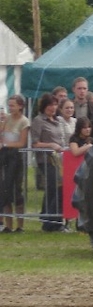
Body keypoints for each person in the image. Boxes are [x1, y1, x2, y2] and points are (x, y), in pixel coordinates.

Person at [31, 93, 68, 232]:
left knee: (55, 189)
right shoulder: (38, 120)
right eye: (50, 105)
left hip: (58, 160)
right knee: (55, 188)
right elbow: (35, 143)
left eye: (54, 105)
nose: (52, 108)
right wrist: (51, 145)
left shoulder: (58, 120)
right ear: (44, 106)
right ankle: (51, 221)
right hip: (45, 160)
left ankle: (51, 220)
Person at [0, 95, 30, 233]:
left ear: (20, 106)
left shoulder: (24, 122)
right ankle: (8, 225)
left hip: (16, 159)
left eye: (12, 105)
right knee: (4, 189)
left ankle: (20, 225)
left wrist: (5, 144)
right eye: (9, 105)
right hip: (5, 158)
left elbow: (21, 143)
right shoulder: (6, 119)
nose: (10, 108)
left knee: (16, 190)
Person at [72, 77, 93, 141]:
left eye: (84, 88)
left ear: (87, 90)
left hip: (90, 143)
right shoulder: (68, 106)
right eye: (79, 88)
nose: (82, 91)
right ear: (73, 89)